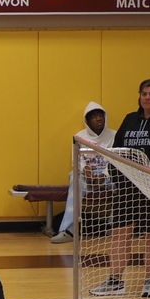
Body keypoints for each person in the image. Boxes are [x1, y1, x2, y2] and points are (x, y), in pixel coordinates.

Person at [89, 79, 150, 299]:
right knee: (120, 234)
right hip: (127, 187)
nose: (147, 98)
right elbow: (117, 149)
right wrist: (116, 173)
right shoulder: (130, 119)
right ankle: (115, 281)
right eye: (144, 94)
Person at [52, 102, 117, 243]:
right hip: (87, 177)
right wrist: (85, 170)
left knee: (123, 182)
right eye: (94, 116)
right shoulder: (79, 137)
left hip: (108, 176)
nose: (98, 119)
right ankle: (67, 230)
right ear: (87, 121)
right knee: (75, 179)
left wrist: (104, 174)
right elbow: (76, 160)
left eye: (100, 115)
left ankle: (114, 227)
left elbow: (116, 160)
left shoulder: (114, 135)